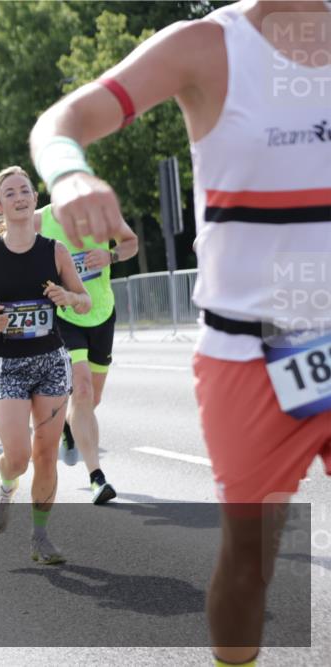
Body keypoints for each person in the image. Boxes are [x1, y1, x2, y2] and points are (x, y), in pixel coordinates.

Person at [30, 1, 330, 663]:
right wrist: (71, 170)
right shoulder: (206, 45)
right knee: (250, 562)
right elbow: (63, 120)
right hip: (250, 350)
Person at [0, 166, 90, 564]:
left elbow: (85, 301)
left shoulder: (55, 251)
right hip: (7, 365)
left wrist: (68, 297)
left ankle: (40, 536)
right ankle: (5, 482)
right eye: (10, 192)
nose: (20, 197)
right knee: (18, 456)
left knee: (46, 454)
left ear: (35, 198)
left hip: (50, 360)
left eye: (26, 191)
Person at [35, 203, 138, 504]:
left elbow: (131, 242)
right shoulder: (41, 220)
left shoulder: (104, 212)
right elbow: (15, 250)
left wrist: (112, 255)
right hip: (66, 316)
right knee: (81, 389)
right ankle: (97, 477)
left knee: (92, 399)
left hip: (102, 312)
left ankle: (69, 425)